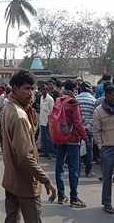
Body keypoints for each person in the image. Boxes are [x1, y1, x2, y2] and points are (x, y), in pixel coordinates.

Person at [1, 70, 56, 223]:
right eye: (27, 89)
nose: (31, 93)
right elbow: (25, 156)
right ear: (15, 88)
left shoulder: (9, 108)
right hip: (25, 183)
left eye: (32, 89)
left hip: (11, 180)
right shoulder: (19, 116)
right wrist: (45, 179)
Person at [55, 79, 88, 208]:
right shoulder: (73, 102)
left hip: (59, 136)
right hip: (72, 138)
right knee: (74, 168)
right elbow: (78, 123)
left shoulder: (59, 100)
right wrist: (85, 137)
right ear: (74, 89)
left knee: (60, 166)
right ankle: (74, 198)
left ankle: (61, 195)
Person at [93, 85, 114, 214]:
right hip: (107, 149)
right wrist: (101, 147)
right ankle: (107, 203)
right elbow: (96, 131)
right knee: (107, 178)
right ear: (106, 95)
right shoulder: (98, 111)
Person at [77, 81, 97, 177]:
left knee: (77, 149)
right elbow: (95, 116)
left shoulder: (76, 99)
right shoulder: (94, 100)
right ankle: (88, 171)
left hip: (78, 128)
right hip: (89, 129)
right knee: (89, 150)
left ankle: (77, 169)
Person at [39, 82, 55, 159]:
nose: (44, 90)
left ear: (47, 90)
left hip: (48, 121)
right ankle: (45, 152)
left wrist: (50, 122)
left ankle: (50, 153)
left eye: (45, 89)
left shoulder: (50, 99)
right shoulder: (41, 98)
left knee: (49, 138)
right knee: (43, 138)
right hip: (42, 120)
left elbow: (52, 112)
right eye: (43, 89)